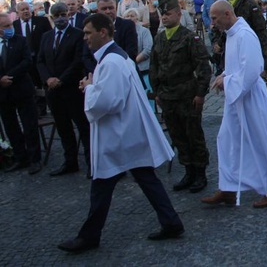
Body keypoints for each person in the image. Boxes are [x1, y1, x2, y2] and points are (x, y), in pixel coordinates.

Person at [57, 13, 182, 253]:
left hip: (118, 136)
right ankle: (171, 221)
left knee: (103, 183)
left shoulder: (111, 62)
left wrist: (89, 87)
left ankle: (89, 236)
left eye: (88, 33)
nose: (85, 38)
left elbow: (106, 103)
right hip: (127, 132)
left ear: (102, 32)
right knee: (144, 178)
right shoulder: (115, 57)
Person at [201, 1, 267, 208]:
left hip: (250, 97)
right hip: (236, 97)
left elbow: (252, 70)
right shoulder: (232, 33)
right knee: (227, 140)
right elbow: (236, 65)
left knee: (260, 141)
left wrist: (227, 81)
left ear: (227, 14)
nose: (212, 23)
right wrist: (224, 75)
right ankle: (228, 187)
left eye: (214, 18)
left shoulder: (245, 35)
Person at [150, 0, 212, 193]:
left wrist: (200, 93)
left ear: (178, 13)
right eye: (162, 15)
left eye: (168, 14)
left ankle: (200, 173)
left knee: (193, 135)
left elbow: (203, 67)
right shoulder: (159, 38)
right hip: (167, 96)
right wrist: (157, 91)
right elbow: (154, 67)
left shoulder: (189, 37)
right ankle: (188, 170)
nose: (165, 18)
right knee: (177, 136)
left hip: (187, 95)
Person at [37, 2, 90, 177]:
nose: (61, 18)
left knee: (83, 127)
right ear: (51, 18)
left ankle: (91, 162)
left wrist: (61, 79)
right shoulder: (46, 36)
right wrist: (48, 79)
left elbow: (78, 61)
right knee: (63, 128)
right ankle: (70, 162)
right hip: (53, 91)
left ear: (68, 15)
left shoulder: (78, 35)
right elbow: (40, 60)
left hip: (71, 89)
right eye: (57, 15)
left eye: (63, 14)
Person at [0, 12, 42, 175]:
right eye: (6, 27)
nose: (10, 28)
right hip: (3, 93)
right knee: (11, 126)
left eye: (10, 25)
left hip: (21, 88)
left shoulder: (20, 40)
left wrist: (9, 76)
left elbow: (27, 61)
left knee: (29, 124)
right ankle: (20, 157)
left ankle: (34, 159)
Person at [124, 8, 153, 93]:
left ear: (137, 17)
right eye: (127, 16)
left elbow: (148, 49)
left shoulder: (144, 31)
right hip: (127, 71)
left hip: (143, 70)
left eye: (132, 16)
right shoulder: (123, 32)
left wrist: (133, 62)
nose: (130, 18)